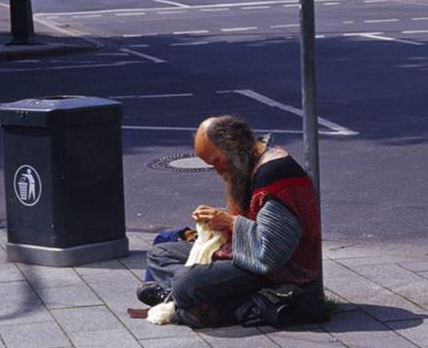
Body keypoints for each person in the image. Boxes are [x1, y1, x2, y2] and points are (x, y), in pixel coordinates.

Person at [137, 115, 322, 328]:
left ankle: (203, 303)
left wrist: (230, 222)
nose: (217, 170)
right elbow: (252, 217)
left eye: (216, 161)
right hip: (242, 253)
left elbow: (272, 255)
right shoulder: (249, 163)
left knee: (186, 282)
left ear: (232, 147)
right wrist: (218, 218)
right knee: (160, 253)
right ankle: (188, 301)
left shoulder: (274, 176)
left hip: (277, 271)